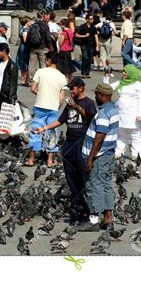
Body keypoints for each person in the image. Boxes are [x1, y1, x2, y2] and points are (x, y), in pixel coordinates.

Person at [33, 76, 97, 223]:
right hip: (69, 143)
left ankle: (89, 211)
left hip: (82, 143)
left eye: (73, 89)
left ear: (81, 88)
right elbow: (60, 121)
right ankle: (77, 207)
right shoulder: (69, 104)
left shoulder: (89, 103)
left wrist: (77, 107)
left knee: (83, 176)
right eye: (70, 89)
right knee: (70, 176)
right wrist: (42, 128)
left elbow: (92, 119)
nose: (70, 92)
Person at [77, 83, 119, 232]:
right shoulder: (114, 109)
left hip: (99, 156)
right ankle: (108, 218)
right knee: (106, 185)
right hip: (109, 154)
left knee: (94, 186)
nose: (95, 97)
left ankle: (93, 220)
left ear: (102, 95)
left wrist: (90, 158)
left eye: (96, 95)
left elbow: (100, 136)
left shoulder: (103, 114)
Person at [26, 51, 67, 168]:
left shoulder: (40, 72)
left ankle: (31, 159)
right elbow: (62, 96)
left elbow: (33, 89)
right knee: (52, 133)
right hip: (53, 108)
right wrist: (56, 106)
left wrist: (41, 94)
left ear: (48, 60)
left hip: (40, 106)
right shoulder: (62, 77)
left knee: (35, 131)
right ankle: (50, 161)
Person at [104, 64, 141, 160]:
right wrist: (106, 77)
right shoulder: (121, 82)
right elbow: (108, 89)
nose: (123, 73)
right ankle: (119, 151)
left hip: (133, 115)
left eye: (125, 72)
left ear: (131, 73)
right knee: (120, 134)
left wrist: (140, 115)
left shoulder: (139, 85)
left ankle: (136, 154)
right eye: (123, 71)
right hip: (121, 113)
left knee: (135, 135)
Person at [28, 10, 53, 80]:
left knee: (32, 65)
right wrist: (49, 46)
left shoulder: (32, 25)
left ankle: (31, 80)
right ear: (42, 16)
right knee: (43, 65)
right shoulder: (45, 26)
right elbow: (48, 38)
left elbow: (28, 36)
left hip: (33, 48)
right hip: (43, 47)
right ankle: (43, 79)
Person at [75, 14, 99, 79]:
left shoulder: (93, 27)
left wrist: (97, 46)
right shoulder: (83, 27)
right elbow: (76, 35)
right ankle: (83, 73)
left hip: (91, 45)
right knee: (85, 58)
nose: (92, 20)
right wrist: (84, 36)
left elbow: (96, 36)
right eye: (91, 19)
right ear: (87, 19)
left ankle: (87, 73)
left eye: (93, 19)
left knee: (89, 59)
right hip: (84, 44)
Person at [17, 16, 32, 86]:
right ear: (26, 22)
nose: (31, 22)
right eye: (29, 21)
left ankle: (24, 80)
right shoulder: (25, 29)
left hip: (22, 47)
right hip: (25, 47)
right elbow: (25, 40)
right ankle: (24, 81)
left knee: (24, 64)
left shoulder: (21, 28)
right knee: (24, 64)